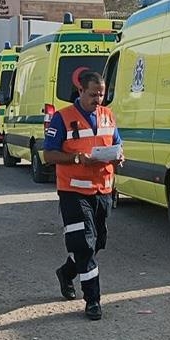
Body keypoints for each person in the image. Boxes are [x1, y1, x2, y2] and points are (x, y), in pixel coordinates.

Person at [43, 72, 123, 321]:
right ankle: (93, 300)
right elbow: (49, 155)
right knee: (84, 246)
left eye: (101, 94)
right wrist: (77, 158)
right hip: (73, 192)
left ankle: (67, 273)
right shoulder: (62, 118)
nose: (98, 99)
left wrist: (119, 157)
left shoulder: (108, 115)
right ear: (80, 91)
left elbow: (117, 144)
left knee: (96, 243)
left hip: (102, 190)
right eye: (93, 94)